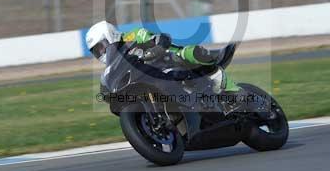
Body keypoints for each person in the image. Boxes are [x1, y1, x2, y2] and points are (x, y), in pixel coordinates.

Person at [85, 21, 244, 110]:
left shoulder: (132, 37)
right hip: (153, 80)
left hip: (170, 61)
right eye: (96, 51)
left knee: (189, 53)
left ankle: (231, 90)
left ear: (109, 36)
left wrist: (155, 47)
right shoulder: (112, 68)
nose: (101, 52)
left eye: (101, 46)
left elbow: (158, 38)